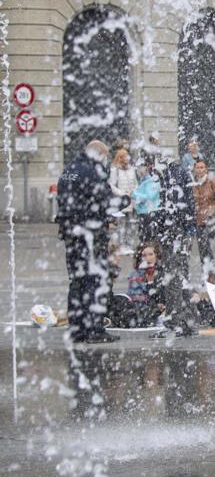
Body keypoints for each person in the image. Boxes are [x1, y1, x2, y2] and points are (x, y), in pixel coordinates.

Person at [58, 139, 122, 343]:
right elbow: (105, 201)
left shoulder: (69, 170)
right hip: (91, 235)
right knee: (96, 281)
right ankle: (94, 329)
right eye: (105, 156)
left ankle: (77, 329)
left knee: (77, 281)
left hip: (72, 235)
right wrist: (126, 200)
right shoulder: (92, 171)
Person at [154, 144, 199, 337]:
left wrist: (164, 226)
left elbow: (175, 206)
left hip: (174, 231)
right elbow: (188, 203)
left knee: (174, 276)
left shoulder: (171, 175)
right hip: (178, 231)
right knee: (180, 275)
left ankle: (178, 321)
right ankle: (186, 320)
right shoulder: (179, 173)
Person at [191, 160, 215, 284]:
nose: (199, 170)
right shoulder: (193, 183)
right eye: (197, 167)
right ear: (194, 169)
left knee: (205, 244)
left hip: (211, 220)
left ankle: (211, 272)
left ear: (206, 169)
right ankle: (206, 271)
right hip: (198, 220)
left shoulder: (212, 182)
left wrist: (211, 209)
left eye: (202, 167)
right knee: (202, 247)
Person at [108, 145, 138, 255]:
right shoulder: (115, 170)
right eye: (125, 156)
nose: (127, 158)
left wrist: (133, 191)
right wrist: (122, 193)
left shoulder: (132, 169)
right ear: (120, 158)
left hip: (131, 200)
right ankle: (120, 245)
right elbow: (112, 185)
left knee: (131, 224)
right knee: (121, 224)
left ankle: (128, 245)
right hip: (120, 200)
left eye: (127, 156)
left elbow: (135, 183)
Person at [133, 155, 162, 244]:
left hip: (149, 214)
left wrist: (134, 193)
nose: (138, 169)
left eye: (140, 167)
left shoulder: (152, 180)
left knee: (148, 241)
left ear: (147, 168)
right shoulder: (143, 181)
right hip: (144, 214)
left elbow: (149, 197)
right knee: (144, 240)